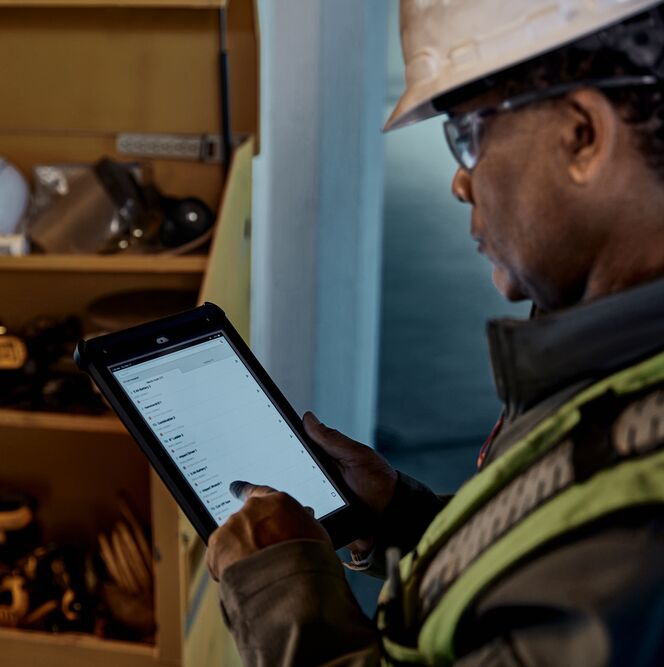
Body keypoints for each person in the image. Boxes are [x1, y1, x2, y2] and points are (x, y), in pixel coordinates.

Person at [205, 2, 664, 665]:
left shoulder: (641, 528)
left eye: (471, 134)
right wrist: (393, 516)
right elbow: (533, 568)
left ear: (583, 134)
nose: (459, 181)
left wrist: (280, 592)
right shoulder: (613, 370)